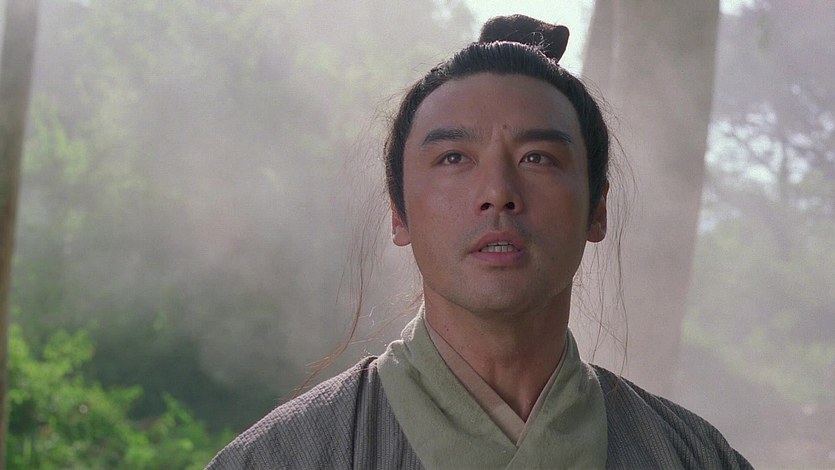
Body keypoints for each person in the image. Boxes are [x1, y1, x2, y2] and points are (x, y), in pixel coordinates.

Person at [207, 14, 752, 469]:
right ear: (399, 213)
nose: (498, 193)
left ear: (597, 209)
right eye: (453, 158)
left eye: (537, 158)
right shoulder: (284, 456)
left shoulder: (694, 456)